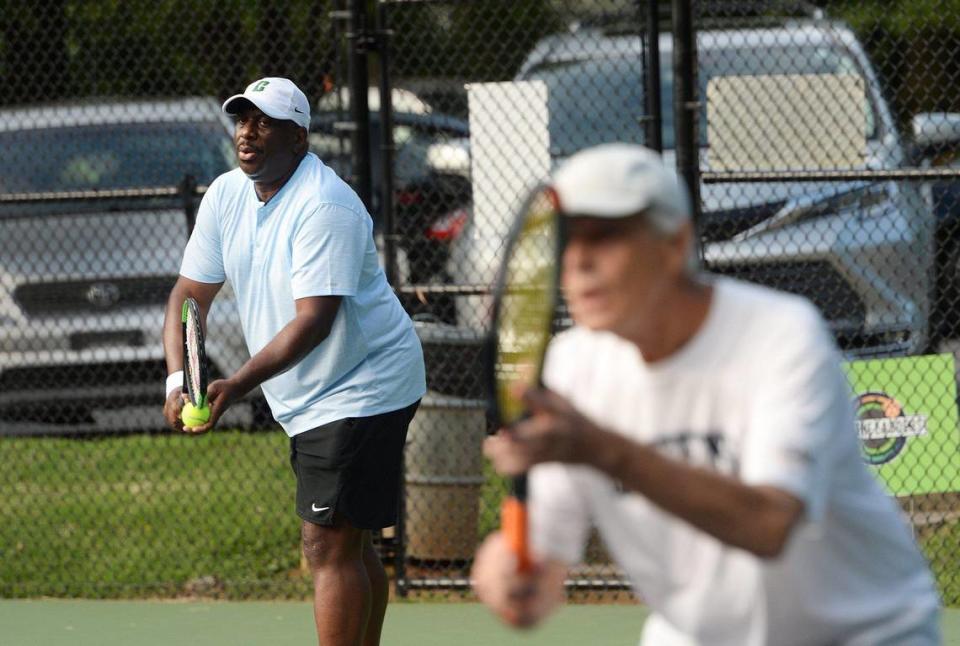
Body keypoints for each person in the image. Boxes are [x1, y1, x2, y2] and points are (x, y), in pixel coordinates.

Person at [472, 143, 940, 645]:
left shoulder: (781, 335)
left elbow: (770, 523)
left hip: (866, 633)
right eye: (566, 239)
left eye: (605, 237)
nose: (579, 260)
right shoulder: (571, 366)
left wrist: (605, 450)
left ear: (674, 245)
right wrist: (513, 574)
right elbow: (544, 550)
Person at [161, 77, 425, 646]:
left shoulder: (324, 204)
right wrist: (179, 380)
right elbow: (189, 297)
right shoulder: (226, 196)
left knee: (324, 544)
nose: (247, 133)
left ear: (299, 136)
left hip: (365, 381)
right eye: (242, 120)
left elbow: (314, 321)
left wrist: (235, 384)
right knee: (345, 538)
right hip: (308, 390)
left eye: (264, 122)